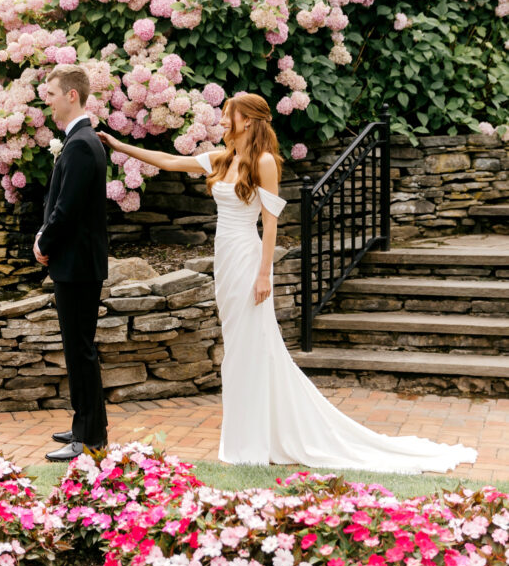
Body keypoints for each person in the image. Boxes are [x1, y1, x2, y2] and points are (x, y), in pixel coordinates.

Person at [99, 92, 477, 473]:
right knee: (237, 347)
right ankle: (248, 437)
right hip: (225, 261)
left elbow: (271, 222)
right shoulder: (222, 158)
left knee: (251, 346)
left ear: (247, 121)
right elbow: (169, 160)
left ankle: (252, 442)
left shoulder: (263, 162)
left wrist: (265, 273)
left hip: (248, 258)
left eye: (229, 116)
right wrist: (118, 144)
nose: (224, 121)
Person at [34, 64, 108, 462]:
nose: (46, 99)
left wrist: (43, 241)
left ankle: (91, 439)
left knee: (80, 350)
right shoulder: (81, 139)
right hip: (77, 264)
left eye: (50, 92)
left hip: (77, 265)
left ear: (71, 96)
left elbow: (67, 210)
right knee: (79, 348)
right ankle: (86, 425)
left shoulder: (80, 143)